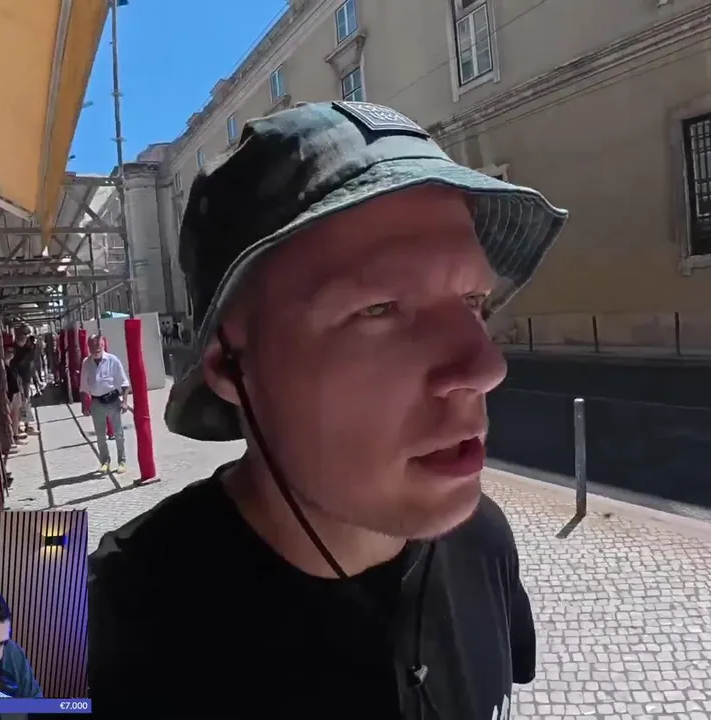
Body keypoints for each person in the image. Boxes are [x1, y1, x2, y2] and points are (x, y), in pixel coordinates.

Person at [87, 101, 567, 717]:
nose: (485, 368)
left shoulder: (482, 541)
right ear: (231, 368)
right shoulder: (100, 635)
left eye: (474, 301)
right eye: (378, 308)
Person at [79, 334, 130, 474]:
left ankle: (122, 461)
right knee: (100, 435)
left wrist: (125, 402)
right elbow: (83, 387)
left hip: (112, 400)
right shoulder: (86, 363)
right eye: (92, 346)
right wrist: (84, 406)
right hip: (96, 402)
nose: (96, 348)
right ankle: (105, 461)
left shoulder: (113, 360)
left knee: (118, 434)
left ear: (103, 345)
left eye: (98, 345)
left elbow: (124, 383)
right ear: (88, 347)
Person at [7, 327, 39, 439]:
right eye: (23, 335)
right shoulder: (15, 349)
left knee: (25, 401)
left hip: (25, 378)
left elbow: (31, 362)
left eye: (26, 336)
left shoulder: (28, 347)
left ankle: (25, 425)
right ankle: (23, 426)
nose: (25, 338)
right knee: (21, 402)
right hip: (18, 379)